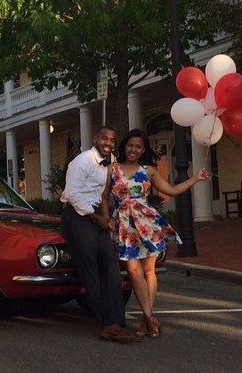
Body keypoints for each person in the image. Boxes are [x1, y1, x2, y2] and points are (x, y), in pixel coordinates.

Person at [100, 128, 210, 338]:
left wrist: (195, 179)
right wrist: (107, 220)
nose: (133, 149)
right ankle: (151, 318)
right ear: (124, 146)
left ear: (143, 150)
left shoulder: (148, 170)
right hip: (123, 223)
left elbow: (171, 190)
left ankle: (146, 319)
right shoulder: (112, 169)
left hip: (147, 223)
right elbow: (104, 197)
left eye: (138, 147)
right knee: (133, 271)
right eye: (130, 145)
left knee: (148, 271)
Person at [61, 126, 139, 343]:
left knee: (111, 266)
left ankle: (116, 321)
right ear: (96, 138)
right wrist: (96, 218)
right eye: (104, 138)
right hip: (77, 215)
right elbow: (71, 194)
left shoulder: (110, 162)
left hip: (98, 216)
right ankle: (106, 325)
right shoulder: (83, 160)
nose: (108, 143)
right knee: (91, 269)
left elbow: (106, 194)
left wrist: (108, 218)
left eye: (112, 140)